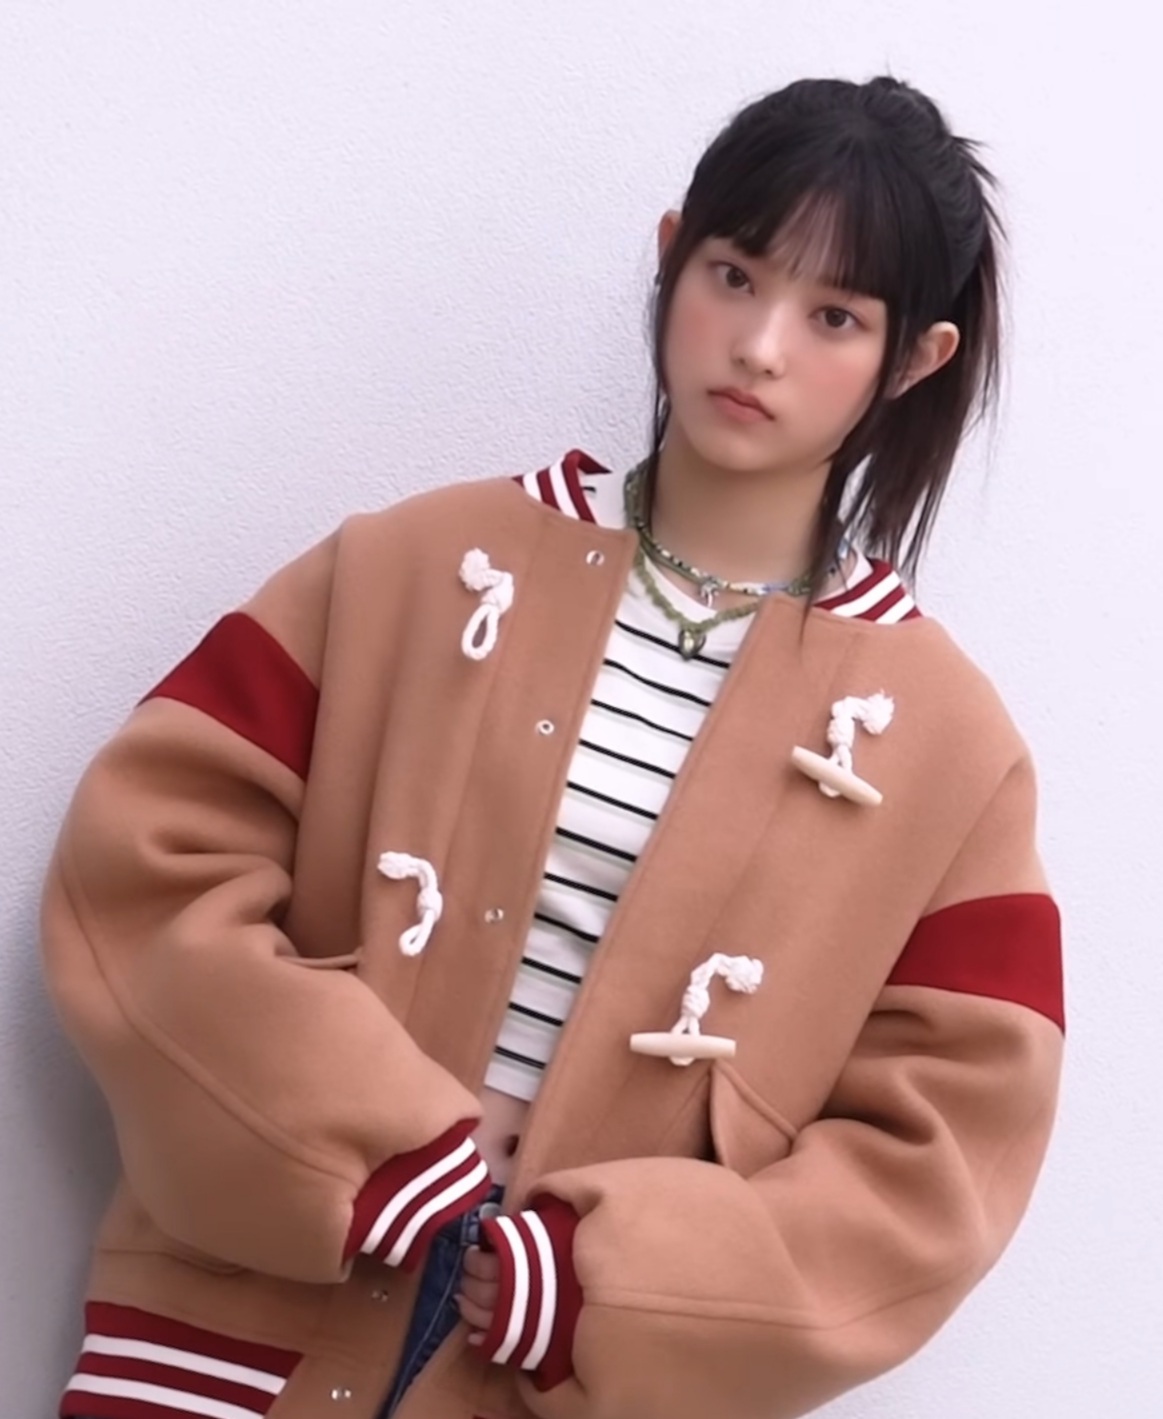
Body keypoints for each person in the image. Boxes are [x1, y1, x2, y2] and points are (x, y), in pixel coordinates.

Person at [41, 74, 1064, 1419]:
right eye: (734, 275)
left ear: (914, 359)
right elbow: (143, 868)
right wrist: (359, 1138)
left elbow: (941, 1167)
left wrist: (617, 1284)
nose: (758, 346)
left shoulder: (949, 752)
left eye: (833, 316)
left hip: (558, 1383)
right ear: (671, 255)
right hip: (238, 1333)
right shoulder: (418, 566)